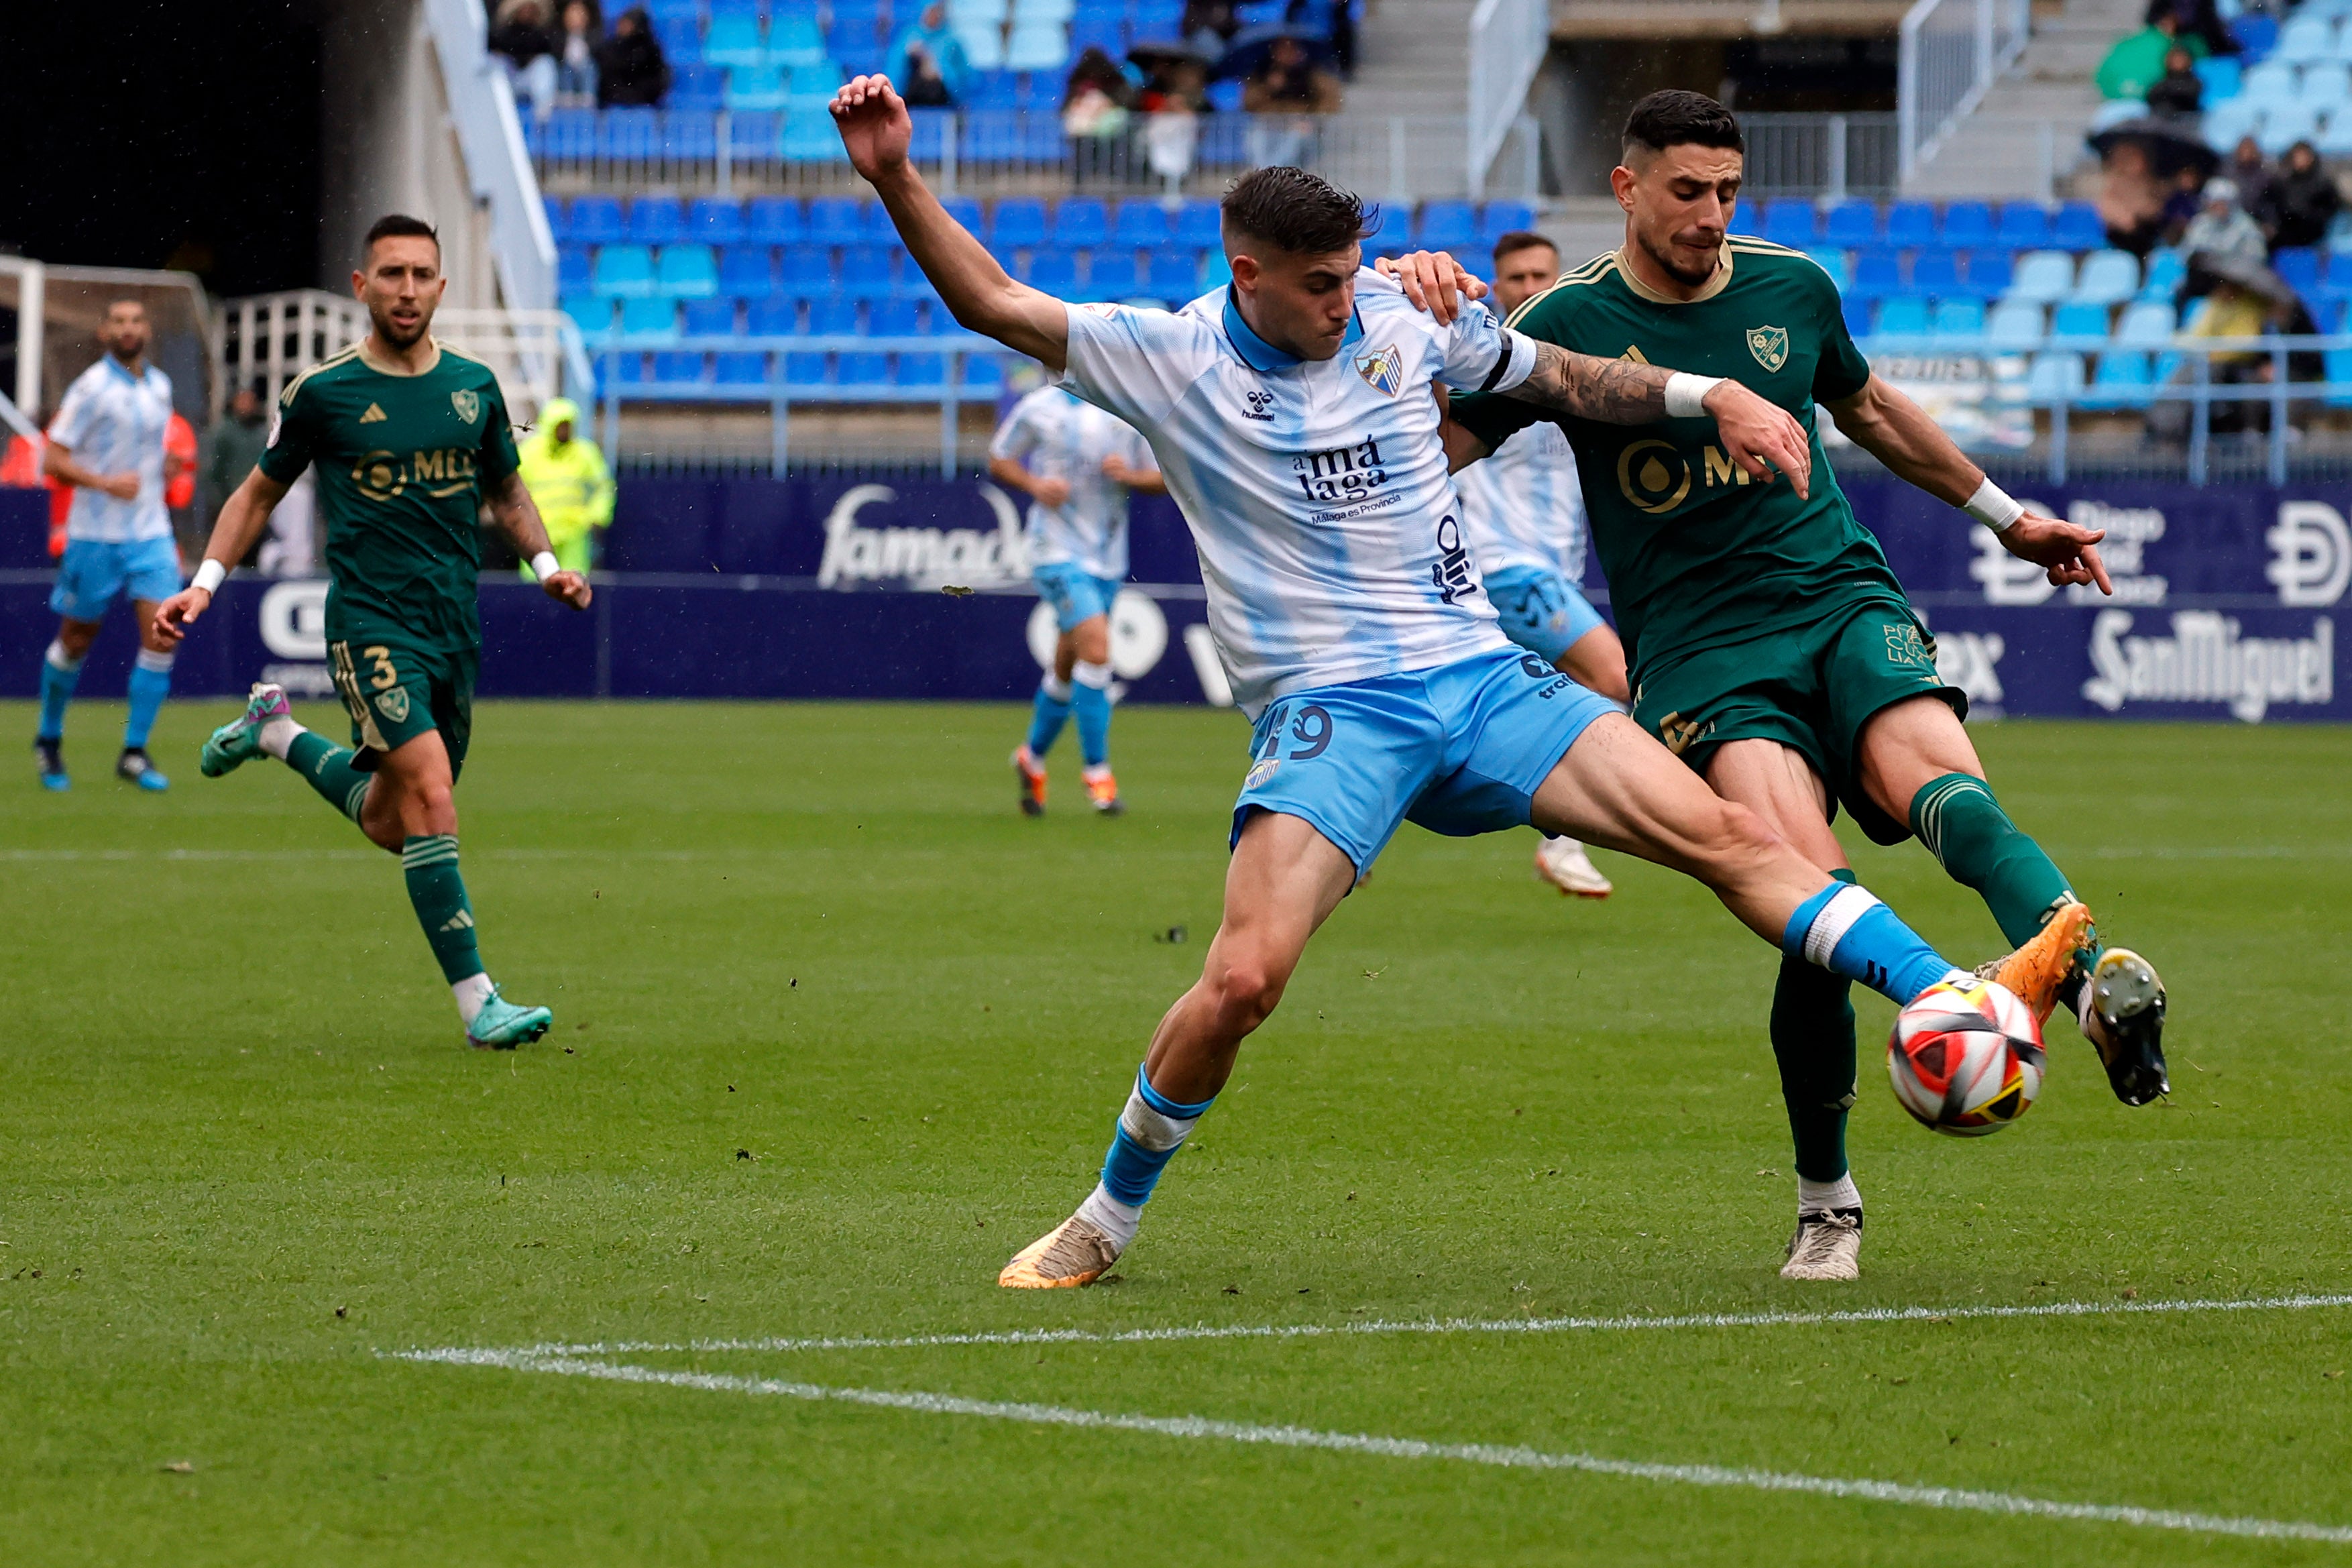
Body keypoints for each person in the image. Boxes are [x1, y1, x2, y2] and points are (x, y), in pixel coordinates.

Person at [827, 73, 2084, 1292]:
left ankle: (1946, 993)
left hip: (1484, 679)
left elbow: (1574, 380)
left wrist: (1718, 398)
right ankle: (1103, 1215)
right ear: (1246, 273)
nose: (1345, 302)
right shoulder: (1166, 356)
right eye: (1318, 285)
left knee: (1733, 832)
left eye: (1354, 273)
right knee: (1243, 977)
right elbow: (992, 298)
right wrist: (894, 177)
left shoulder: (1402, 313)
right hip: (1335, 711)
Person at [1410, 91, 2166, 1280]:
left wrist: (2009, 518)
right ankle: (1829, 1197)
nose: (1710, 216)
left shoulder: (1791, 287)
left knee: (1945, 786)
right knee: (1808, 893)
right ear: (1626, 189)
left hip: (1837, 594)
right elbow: (1434, 449)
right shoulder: (1563, 325)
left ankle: (2084, 982)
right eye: (1685, 192)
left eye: (1726, 191)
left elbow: (1868, 409)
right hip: (1703, 650)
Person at [151, 215, 593, 1050]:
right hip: (369, 624)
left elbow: (508, 491)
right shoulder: (324, 393)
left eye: (422, 274)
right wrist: (204, 585)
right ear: (361, 286)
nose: (406, 289)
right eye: (390, 273)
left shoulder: (473, 387)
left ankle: (275, 732)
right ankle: (480, 1004)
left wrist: (546, 568)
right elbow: (255, 494)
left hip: (450, 629)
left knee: (395, 821)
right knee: (433, 794)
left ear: (441, 286)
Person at [1451, 231, 1626, 901]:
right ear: (1497, 287)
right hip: (1501, 563)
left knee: (1533, 710)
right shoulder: (1480, 365)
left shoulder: (1577, 364)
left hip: (1556, 566)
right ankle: (1566, 839)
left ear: (1559, 280)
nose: (1528, 287)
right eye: (1516, 277)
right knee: (1613, 675)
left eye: (1540, 276)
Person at [34, 298, 187, 794]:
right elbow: (52, 462)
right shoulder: (90, 389)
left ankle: (134, 751)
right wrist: (103, 482)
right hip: (94, 536)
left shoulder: (160, 386)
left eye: (137, 320)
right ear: (103, 331)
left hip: (150, 533)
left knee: (163, 636)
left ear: (147, 329)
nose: (128, 328)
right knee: (76, 640)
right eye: (118, 321)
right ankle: (49, 739)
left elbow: (147, 453)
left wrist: (163, 468)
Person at [989, 384, 1164, 816]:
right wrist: (1034, 484)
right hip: (1055, 551)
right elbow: (999, 458)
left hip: (1107, 555)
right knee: (1098, 650)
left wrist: (1131, 476)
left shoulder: (1128, 405)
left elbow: (1163, 477)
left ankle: (1032, 756)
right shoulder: (1040, 407)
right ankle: (1097, 774)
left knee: (1068, 664)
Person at [515, 395, 614, 574]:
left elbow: (604, 486)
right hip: (537, 533)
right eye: (560, 425)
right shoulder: (529, 453)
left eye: (569, 425)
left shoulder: (585, 453)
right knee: (535, 586)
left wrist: (598, 515)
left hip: (574, 533)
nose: (565, 430)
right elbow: (513, 490)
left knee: (574, 584)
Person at [1243, 35, 1343, 169]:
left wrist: (1311, 118)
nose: (1286, 54)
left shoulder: (1312, 74)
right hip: (1270, 125)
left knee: (1294, 141)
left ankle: (1272, 172)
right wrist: (1268, 87)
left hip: (1300, 125)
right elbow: (1249, 103)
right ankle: (1267, 171)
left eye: (1290, 49)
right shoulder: (1262, 73)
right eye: (1282, 50)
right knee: (1256, 139)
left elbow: (1330, 101)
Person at [201, 386, 270, 537]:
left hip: (256, 502)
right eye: (242, 400)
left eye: (250, 400)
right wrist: (218, 502)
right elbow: (213, 469)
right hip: (230, 499)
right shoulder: (224, 431)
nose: (246, 405)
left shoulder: (261, 432)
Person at [2255, 140, 2341, 252]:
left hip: (2313, 232)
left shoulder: (2323, 182)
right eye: (2298, 156)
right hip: (2285, 230)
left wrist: (2312, 217)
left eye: (2304, 156)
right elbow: (2267, 202)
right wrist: (2272, 222)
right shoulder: (2281, 180)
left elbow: (2331, 207)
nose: (2301, 160)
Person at [2096, 9, 2198, 102]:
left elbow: (2101, 76)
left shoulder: (2127, 43)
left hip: (2118, 101)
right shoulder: (2166, 44)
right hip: (2144, 104)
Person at [886, 3, 968, 107]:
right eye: (930, 12)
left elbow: (964, 76)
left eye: (936, 11)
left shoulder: (952, 41)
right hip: (911, 94)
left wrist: (937, 70)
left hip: (942, 96)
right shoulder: (910, 35)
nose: (933, 16)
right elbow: (895, 68)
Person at [2179, 177, 2266, 268]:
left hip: (2235, 278)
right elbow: (2185, 254)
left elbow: (2255, 262)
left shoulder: (2248, 227)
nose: (2219, 207)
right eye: (2214, 202)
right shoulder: (2199, 223)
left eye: (2223, 202)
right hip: (2202, 275)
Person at [490, 0, 559, 112]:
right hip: (510, 76)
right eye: (524, 9)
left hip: (530, 79)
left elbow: (548, 51)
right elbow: (495, 49)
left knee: (545, 64)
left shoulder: (541, 33)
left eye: (531, 9)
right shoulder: (504, 32)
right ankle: (499, 109)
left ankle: (543, 114)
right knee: (497, 63)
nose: (527, 13)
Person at [596, 6, 670, 109]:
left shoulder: (650, 50)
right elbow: (607, 79)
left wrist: (638, 95)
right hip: (614, 101)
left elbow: (657, 79)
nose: (623, 27)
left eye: (628, 24)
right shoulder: (610, 49)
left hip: (644, 101)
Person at [553, 0, 600, 106]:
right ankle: (566, 98)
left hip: (586, 73)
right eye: (572, 15)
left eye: (579, 14)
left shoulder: (594, 38)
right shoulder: (557, 38)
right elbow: (557, 56)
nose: (575, 19)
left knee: (588, 65)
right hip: (563, 74)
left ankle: (588, 99)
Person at [2143, 44, 2203, 115]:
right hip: (2162, 121)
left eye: (2181, 59)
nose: (2177, 62)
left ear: (2189, 60)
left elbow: (2187, 98)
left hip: (2188, 120)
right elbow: (2151, 98)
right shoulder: (2159, 84)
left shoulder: (2195, 83)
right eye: (2174, 59)